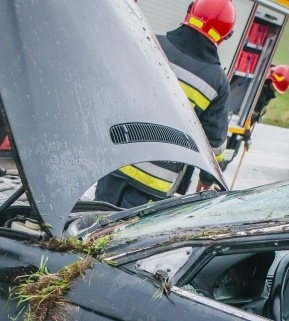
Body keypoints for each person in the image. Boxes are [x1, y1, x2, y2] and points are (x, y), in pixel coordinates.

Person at [94, 0, 235, 208]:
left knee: (88, 227)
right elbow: (214, 146)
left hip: (117, 160)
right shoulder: (217, 82)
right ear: (225, 35)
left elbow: (114, 92)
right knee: (122, 238)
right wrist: (207, 180)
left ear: (190, 11)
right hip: (156, 182)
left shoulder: (150, 43)